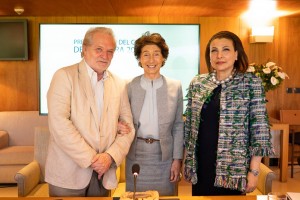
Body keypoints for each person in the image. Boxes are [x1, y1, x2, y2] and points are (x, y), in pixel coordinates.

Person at [45, 27, 135, 197]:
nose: (105, 56)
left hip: (104, 175)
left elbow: (128, 127)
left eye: (110, 51)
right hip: (68, 174)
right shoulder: (64, 76)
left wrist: (109, 157)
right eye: (99, 49)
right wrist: (94, 160)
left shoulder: (119, 83)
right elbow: (59, 124)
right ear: (84, 49)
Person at [184, 31, 275, 196]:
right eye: (214, 50)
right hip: (202, 164)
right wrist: (187, 162)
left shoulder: (250, 83)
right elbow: (189, 125)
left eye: (225, 49)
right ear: (209, 55)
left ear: (236, 54)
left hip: (234, 168)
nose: (219, 55)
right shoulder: (198, 82)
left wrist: (254, 171)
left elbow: (260, 131)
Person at [125, 32, 184, 196]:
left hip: (164, 157)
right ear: (139, 59)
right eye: (146, 54)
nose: (151, 60)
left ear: (163, 58)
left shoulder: (175, 86)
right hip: (136, 156)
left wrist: (177, 159)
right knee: (135, 197)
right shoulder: (129, 86)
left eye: (156, 54)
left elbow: (178, 126)